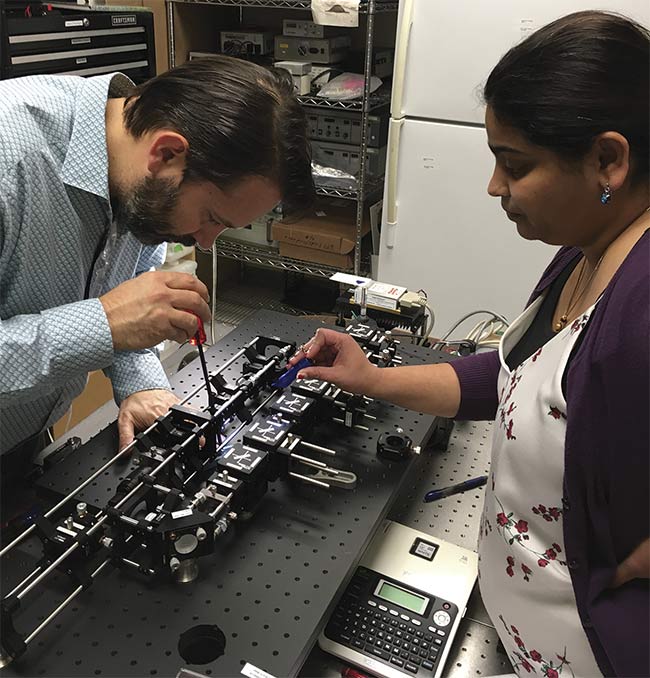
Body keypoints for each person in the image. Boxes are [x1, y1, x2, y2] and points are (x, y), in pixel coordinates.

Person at [289, 11, 649, 677]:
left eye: (514, 165)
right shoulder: (586, 252)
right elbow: (516, 378)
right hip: (514, 622)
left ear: (608, 159)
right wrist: (373, 378)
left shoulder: (640, 316)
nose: (494, 188)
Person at [0, 56, 315, 478]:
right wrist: (102, 325)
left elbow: (131, 296)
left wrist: (141, 384)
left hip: (20, 438)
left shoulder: (138, 185)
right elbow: (114, 318)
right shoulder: (10, 154)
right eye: (212, 216)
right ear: (166, 153)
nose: (205, 241)